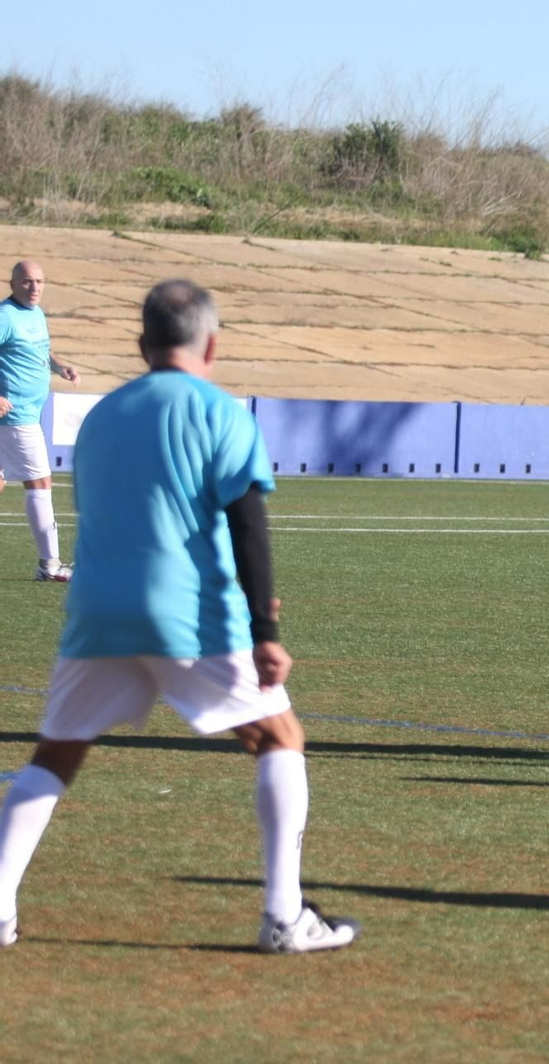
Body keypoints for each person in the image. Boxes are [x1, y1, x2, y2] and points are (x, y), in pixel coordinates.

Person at [0, 280, 359, 953]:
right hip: (191, 616)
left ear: (142, 347)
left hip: (97, 615)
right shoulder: (222, 413)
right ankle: (285, 916)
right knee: (280, 737)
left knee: (56, 753)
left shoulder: (102, 415)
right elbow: (249, 525)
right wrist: (267, 634)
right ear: (212, 344)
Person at [0, 260, 78, 581]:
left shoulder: (36, 313)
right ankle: (50, 565)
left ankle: (49, 565)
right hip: (15, 416)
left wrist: (59, 367)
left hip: (27, 413)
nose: (34, 288)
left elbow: (40, 350)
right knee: (41, 483)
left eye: (40, 282)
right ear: (13, 283)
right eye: (27, 282)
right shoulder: (5, 316)